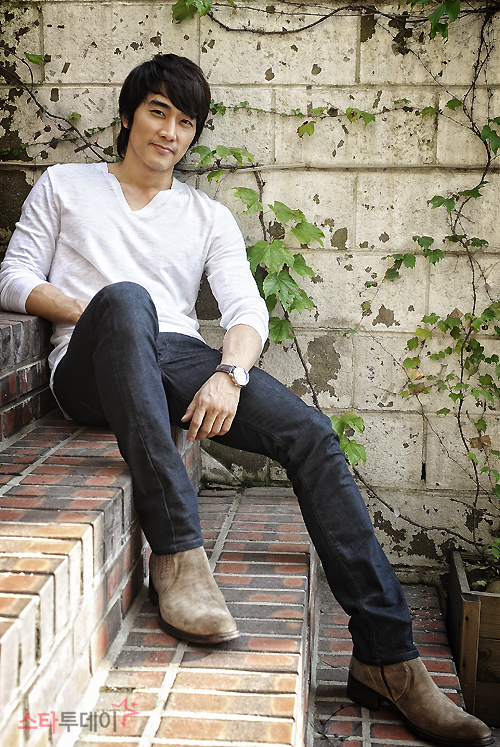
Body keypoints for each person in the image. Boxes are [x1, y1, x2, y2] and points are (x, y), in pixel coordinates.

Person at [0, 54, 493, 747]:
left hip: (179, 356)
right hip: (88, 359)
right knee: (129, 301)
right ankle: (178, 553)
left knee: (311, 434)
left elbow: (245, 310)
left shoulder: (206, 215)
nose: (170, 132)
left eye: (185, 121)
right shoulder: (66, 185)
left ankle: (388, 658)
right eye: (158, 112)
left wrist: (228, 374)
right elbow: (13, 277)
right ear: (128, 115)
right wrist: (106, 316)